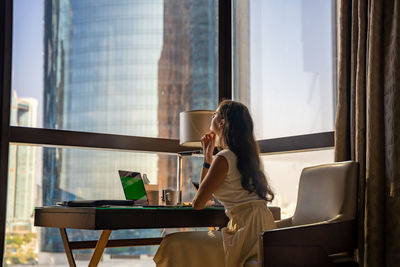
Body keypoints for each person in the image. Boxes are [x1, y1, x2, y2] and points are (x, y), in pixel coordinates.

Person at [154, 100, 276, 267]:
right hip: (265, 228)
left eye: (214, 114)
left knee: (173, 242)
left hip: (244, 231)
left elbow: (198, 203)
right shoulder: (250, 158)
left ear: (221, 123)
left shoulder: (224, 157)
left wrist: (208, 159)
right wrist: (208, 156)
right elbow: (208, 194)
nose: (211, 116)